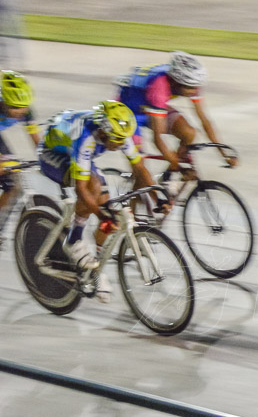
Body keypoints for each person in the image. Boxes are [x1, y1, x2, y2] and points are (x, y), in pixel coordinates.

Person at [37, 101, 168, 303]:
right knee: (93, 188)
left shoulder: (118, 133)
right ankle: (73, 240)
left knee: (108, 204)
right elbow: (81, 188)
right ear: (103, 133)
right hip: (52, 153)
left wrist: (157, 198)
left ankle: (94, 267)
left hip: (72, 150)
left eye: (124, 139)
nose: (121, 144)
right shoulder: (86, 138)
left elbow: (140, 169)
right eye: (117, 140)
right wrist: (100, 214)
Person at [114, 51, 236, 179]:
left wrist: (224, 153)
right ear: (176, 82)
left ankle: (167, 179)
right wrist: (180, 168)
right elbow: (157, 139)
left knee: (189, 133)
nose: (194, 91)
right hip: (128, 112)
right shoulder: (159, 88)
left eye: (196, 87)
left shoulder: (190, 83)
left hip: (149, 105)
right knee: (142, 175)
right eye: (190, 88)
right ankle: (141, 195)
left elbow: (204, 120)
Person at [0, 71, 42, 244]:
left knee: (12, 183)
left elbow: (36, 139)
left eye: (23, 107)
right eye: (14, 107)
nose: (19, 112)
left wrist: (45, 157)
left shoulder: (26, 109)